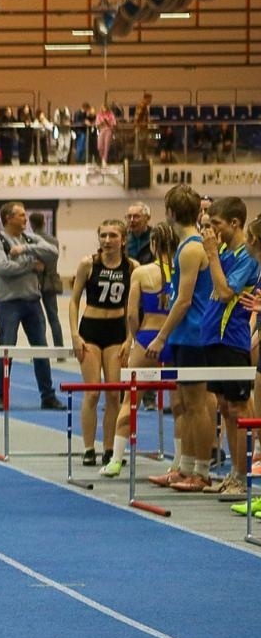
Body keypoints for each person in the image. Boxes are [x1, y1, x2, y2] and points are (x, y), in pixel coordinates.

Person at [145, 185, 215, 492]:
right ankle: (184, 467)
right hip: (184, 335)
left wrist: (161, 336)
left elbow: (184, 300)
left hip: (194, 335)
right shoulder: (185, 245)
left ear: (170, 212)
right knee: (184, 405)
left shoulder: (190, 249)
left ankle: (202, 471)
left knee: (197, 405)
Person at [101, 222, 176, 478]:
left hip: (146, 337)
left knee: (130, 400)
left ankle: (116, 460)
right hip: (174, 337)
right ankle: (180, 462)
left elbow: (131, 313)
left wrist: (135, 337)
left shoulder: (142, 273)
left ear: (153, 245)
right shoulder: (182, 271)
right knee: (181, 403)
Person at [195, 197, 257, 498]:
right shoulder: (222, 251)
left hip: (231, 339)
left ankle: (243, 478)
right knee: (224, 407)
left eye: (216, 224)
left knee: (238, 409)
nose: (211, 231)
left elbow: (223, 292)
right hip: (213, 339)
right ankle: (234, 474)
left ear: (234, 223)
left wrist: (210, 253)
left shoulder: (247, 256)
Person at [0, 202, 65, 412]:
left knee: (41, 349)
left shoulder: (30, 239)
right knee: (6, 349)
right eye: (21, 215)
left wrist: (26, 249)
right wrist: (31, 265)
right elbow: (3, 268)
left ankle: (48, 396)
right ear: (8, 218)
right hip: (8, 303)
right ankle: (0, 396)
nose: (25, 218)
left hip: (32, 301)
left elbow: (53, 251)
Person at [68, 220, 131, 466]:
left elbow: (132, 307)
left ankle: (109, 448)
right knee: (92, 392)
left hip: (116, 332)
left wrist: (129, 338)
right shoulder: (89, 264)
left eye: (113, 235)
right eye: (103, 235)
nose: (107, 240)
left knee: (114, 394)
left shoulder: (131, 267)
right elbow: (74, 301)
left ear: (122, 239)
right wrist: (74, 334)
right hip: (91, 331)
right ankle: (88, 448)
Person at [29, 213, 66, 346]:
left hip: (34, 283)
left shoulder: (30, 241)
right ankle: (59, 348)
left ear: (31, 224)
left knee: (38, 319)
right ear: (44, 223)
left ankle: (40, 348)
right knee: (54, 318)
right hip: (51, 281)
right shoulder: (54, 241)